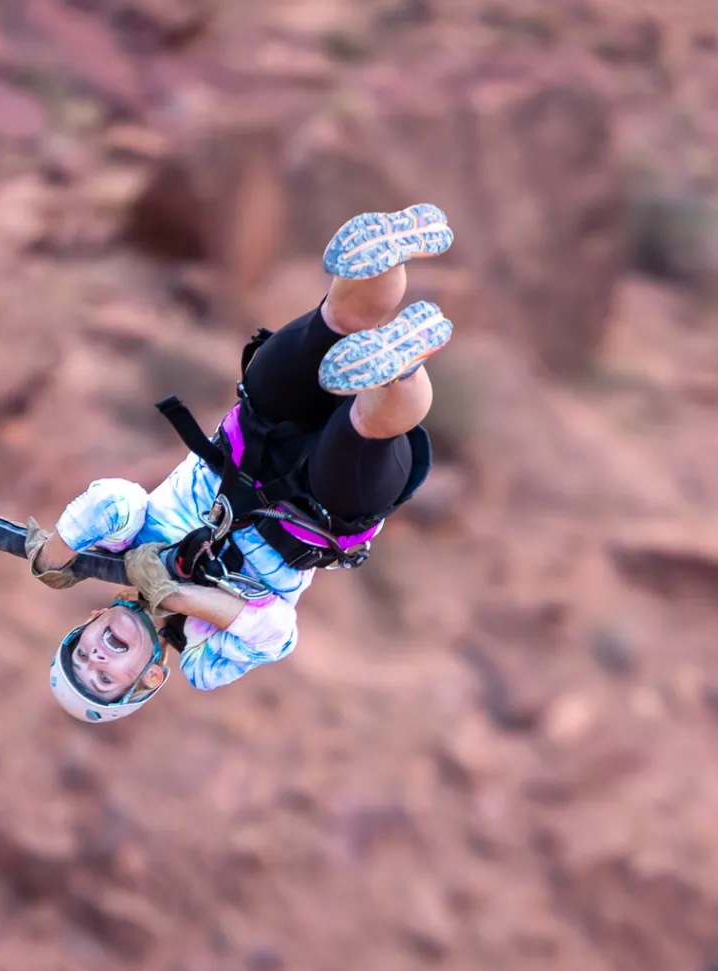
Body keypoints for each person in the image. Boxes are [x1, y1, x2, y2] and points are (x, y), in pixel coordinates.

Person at [24, 204, 456, 723]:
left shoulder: (124, 545)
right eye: (103, 680)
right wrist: (176, 596)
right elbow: (276, 632)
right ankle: (397, 361)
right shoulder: (204, 664)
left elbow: (109, 501)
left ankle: (384, 258)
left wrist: (54, 558)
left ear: (91, 621)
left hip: (255, 436)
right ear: (151, 678)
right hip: (318, 512)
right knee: (366, 425)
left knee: (337, 324)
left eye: (79, 654)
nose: (94, 659)